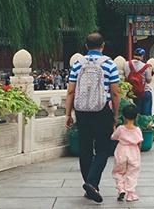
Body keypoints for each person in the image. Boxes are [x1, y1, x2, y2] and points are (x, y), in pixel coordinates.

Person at [65, 32, 120, 204]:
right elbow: (116, 92)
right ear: (103, 46)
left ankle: (90, 187)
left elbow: (71, 91)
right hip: (102, 110)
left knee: (85, 148)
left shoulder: (77, 64)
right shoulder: (109, 64)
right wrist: (115, 115)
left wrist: (68, 113)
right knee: (103, 149)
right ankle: (92, 182)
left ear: (86, 46)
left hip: (82, 111)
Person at [111, 104, 143, 202]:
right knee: (132, 173)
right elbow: (139, 142)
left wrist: (114, 129)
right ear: (136, 116)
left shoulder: (120, 128)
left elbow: (113, 137)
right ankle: (130, 194)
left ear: (123, 116)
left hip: (121, 151)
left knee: (118, 172)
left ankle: (121, 189)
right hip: (133, 152)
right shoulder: (137, 130)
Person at [125, 48, 152, 115]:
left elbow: (126, 77)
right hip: (144, 92)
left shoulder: (126, 64)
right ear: (142, 56)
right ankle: (146, 124)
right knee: (146, 114)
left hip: (132, 93)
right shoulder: (145, 66)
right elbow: (149, 80)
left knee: (135, 114)